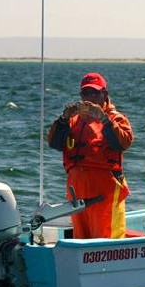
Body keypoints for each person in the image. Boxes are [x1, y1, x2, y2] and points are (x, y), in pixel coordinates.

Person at [47, 72, 134, 238]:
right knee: (81, 236)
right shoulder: (73, 119)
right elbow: (55, 143)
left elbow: (123, 143)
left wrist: (104, 119)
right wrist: (63, 120)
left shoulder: (117, 118)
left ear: (105, 95)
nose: (91, 97)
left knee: (106, 238)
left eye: (95, 93)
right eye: (86, 93)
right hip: (76, 188)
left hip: (105, 188)